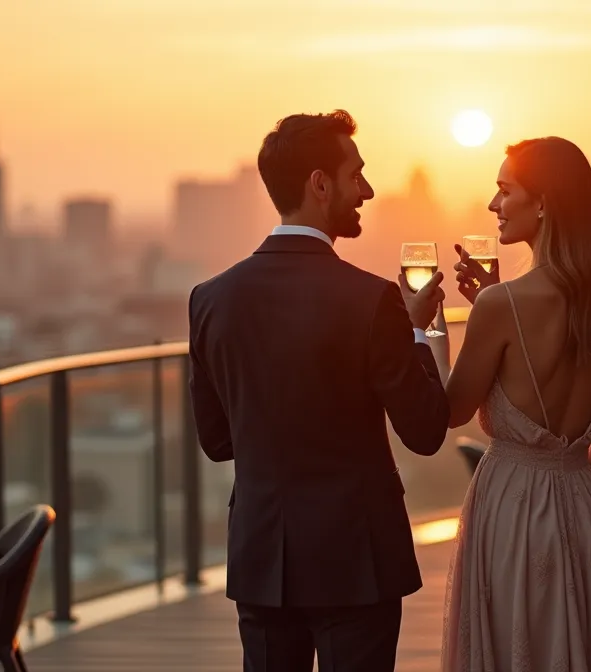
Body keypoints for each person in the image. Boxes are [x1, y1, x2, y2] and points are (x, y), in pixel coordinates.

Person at [188, 109, 452, 672]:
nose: (369, 190)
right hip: (357, 562)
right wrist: (416, 330)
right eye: (357, 174)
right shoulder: (372, 300)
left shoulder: (210, 300)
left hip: (263, 558)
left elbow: (215, 441)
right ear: (319, 183)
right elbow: (427, 431)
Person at [437, 137, 591, 671]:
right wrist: (571, 484)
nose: (492, 204)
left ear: (544, 203)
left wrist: (426, 334)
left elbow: (451, 411)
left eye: (505, 190)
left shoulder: (498, 306)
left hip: (513, 510)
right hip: (586, 509)